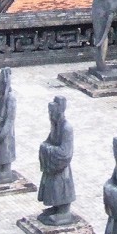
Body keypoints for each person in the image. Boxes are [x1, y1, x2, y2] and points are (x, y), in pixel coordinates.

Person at [38, 96, 77, 226]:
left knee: (60, 187)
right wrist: (45, 146)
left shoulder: (66, 128)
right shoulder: (55, 126)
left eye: (52, 112)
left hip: (61, 167)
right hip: (53, 165)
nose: (50, 115)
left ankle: (64, 212)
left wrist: (47, 149)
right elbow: (48, 141)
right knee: (52, 186)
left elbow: (66, 153)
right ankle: (56, 207)